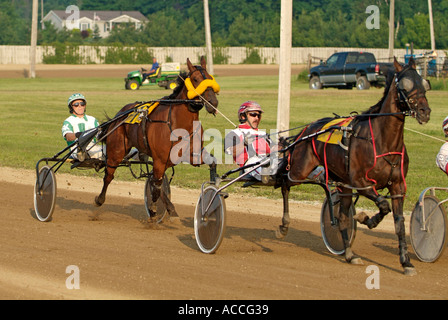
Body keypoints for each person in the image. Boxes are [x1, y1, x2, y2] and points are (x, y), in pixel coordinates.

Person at [224, 101, 279, 181]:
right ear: (243, 116)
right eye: (253, 114)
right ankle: (267, 174)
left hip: (266, 161)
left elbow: (274, 149)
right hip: (249, 165)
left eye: (259, 115)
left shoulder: (263, 133)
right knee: (255, 161)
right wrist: (244, 143)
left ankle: (276, 173)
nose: (256, 118)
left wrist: (283, 144)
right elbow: (231, 152)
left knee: (278, 159)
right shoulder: (235, 133)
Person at [61, 93, 104, 160]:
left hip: (94, 147)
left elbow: (100, 136)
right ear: (71, 107)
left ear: (85, 105)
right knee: (83, 152)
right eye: (76, 105)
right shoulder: (68, 121)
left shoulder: (93, 120)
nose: (80, 106)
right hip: (76, 149)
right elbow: (68, 137)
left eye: (82, 104)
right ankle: (84, 155)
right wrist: (79, 134)